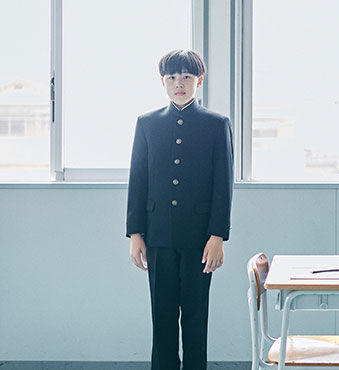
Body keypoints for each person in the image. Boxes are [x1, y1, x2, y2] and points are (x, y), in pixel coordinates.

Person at [126, 49, 234, 370]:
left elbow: (223, 186)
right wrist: (135, 233)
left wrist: (218, 236)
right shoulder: (147, 124)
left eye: (187, 76)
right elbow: (138, 180)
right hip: (157, 237)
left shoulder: (216, 125)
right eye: (172, 77)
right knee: (162, 320)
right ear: (163, 82)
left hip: (200, 240)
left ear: (199, 80)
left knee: (195, 319)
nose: (179, 83)